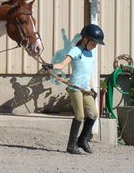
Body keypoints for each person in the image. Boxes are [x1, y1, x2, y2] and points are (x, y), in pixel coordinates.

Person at [42, 24, 105, 154]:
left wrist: (92, 88)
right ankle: (71, 146)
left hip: (86, 89)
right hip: (75, 87)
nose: (95, 46)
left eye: (96, 44)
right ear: (85, 39)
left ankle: (82, 140)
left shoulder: (91, 54)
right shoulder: (75, 51)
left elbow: (89, 73)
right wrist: (50, 65)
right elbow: (61, 65)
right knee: (80, 115)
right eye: (93, 43)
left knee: (93, 114)